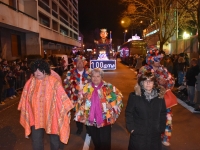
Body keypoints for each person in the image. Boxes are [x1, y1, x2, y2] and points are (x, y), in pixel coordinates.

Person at [18, 59, 73, 150]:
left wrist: (66, 111)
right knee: (36, 141)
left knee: (54, 141)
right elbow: (25, 100)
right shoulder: (30, 83)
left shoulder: (53, 82)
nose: (37, 72)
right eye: (35, 70)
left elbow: (63, 97)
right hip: (35, 117)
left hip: (52, 116)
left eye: (40, 69)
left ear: (46, 70)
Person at [74, 68, 123, 150]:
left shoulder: (108, 87)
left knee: (105, 142)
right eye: (93, 76)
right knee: (96, 141)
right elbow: (79, 100)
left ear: (101, 77)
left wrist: (111, 104)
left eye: (98, 76)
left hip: (105, 120)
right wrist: (83, 99)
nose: (95, 78)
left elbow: (119, 97)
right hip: (91, 120)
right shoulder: (86, 88)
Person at [138, 47, 176, 146]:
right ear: (150, 59)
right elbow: (140, 83)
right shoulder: (144, 69)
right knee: (150, 118)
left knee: (168, 117)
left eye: (160, 59)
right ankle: (150, 136)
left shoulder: (163, 69)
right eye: (156, 59)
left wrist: (167, 82)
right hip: (149, 98)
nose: (159, 61)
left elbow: (172, 82)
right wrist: (157, 81)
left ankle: (166, 137)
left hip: (163, 98)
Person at [125, 71, 166, 150]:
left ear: (154, 83)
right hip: (139, 134)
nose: (148, 83)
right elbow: (129, 113)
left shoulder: (159, 97)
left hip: (154, 133)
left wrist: (161, 128)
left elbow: (163, 113)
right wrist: (132, 128)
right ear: (141, 83)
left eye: (150, 81)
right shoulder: (134, 96)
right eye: (145, 81)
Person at [63, 55, 91, 135]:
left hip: (87, 97)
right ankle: (79, 128)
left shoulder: (89, 72)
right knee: (77, 113)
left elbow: (94, 82)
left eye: (81, 62)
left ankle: (89, 129)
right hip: (75, 97)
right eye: (78, 62)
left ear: (84, 63)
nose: (80, 63)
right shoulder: (70, 73)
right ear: (75, 63)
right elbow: (66, 85)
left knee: (87, 112)